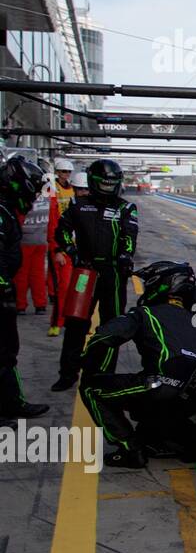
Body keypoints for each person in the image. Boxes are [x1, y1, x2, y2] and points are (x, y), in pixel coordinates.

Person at [79, 261, 196, 468]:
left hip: (161, 389)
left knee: (90, 389)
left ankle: (130, 451)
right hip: (195, 398)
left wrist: (86, 360)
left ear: (159, 284)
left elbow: (104, 336)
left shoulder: (145, 313)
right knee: (151, 414)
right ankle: (188, 439)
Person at [52, 159, 138, 391]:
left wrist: (125, 256)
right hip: (85, 272)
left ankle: (104, 373)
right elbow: (61, 232)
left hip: (114, 273)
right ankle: (67, 373)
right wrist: (72, 252)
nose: (109, 188)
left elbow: (130, 236)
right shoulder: (78, 205)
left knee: (112, 325)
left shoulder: (125, 208)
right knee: (75, 323)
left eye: (113, 184)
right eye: (105, 184)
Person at [0, 156, 51, 426]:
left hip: (5, 291)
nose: (33, 195)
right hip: (2, 292)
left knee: (8, 351)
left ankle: (12, 403)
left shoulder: (7, 209)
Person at [13, 173, 53, 317]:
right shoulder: (48, 196)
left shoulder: (24, 196)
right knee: (38, 274)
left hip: (24, 241)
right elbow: (52, 219)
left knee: (21, 275)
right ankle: (40, 304)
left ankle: (20, 305)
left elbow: (17, 219)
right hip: (41, 241)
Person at [48, 159, 76, 337]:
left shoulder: (74, 191)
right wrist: (57, 247)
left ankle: (78, 322)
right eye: (63, 171)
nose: (65, 174)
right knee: (63, 286)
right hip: (60, 240)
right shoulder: (50, 188)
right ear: (57, 172)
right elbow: (50, 219)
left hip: (78, 247)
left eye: (68, 172)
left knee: (80, 289)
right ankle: (58, 321)